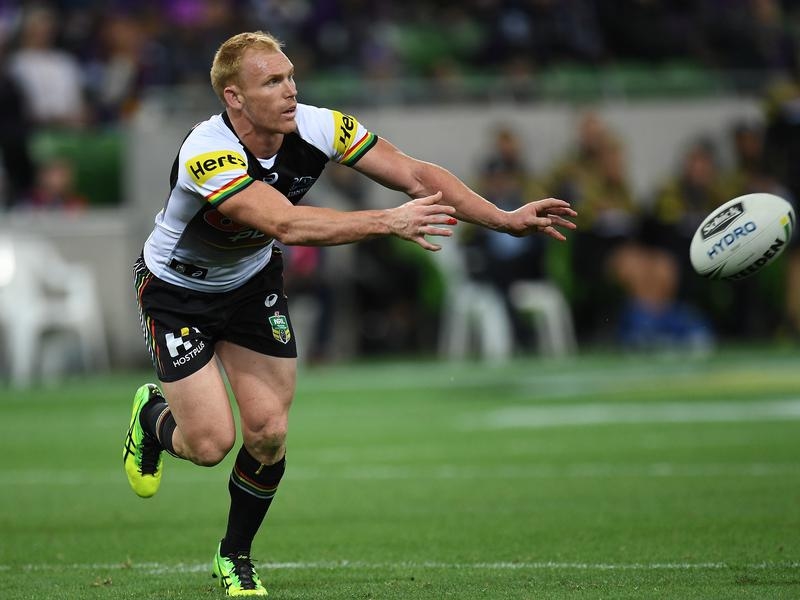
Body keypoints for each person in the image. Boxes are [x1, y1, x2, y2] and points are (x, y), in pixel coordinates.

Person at [124, 30, 576, 598]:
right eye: (273, 81)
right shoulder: (207, 152)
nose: (291, 90)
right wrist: (388, 222)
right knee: (210, 444)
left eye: (291, 76)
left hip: (249, 285)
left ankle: (234, 556)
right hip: (177, 292)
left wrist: (504, 219)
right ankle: (152, 417)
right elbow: (286, 224)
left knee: (268, 433)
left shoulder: (320, 127)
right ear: (234, 97)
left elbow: (416, 176)